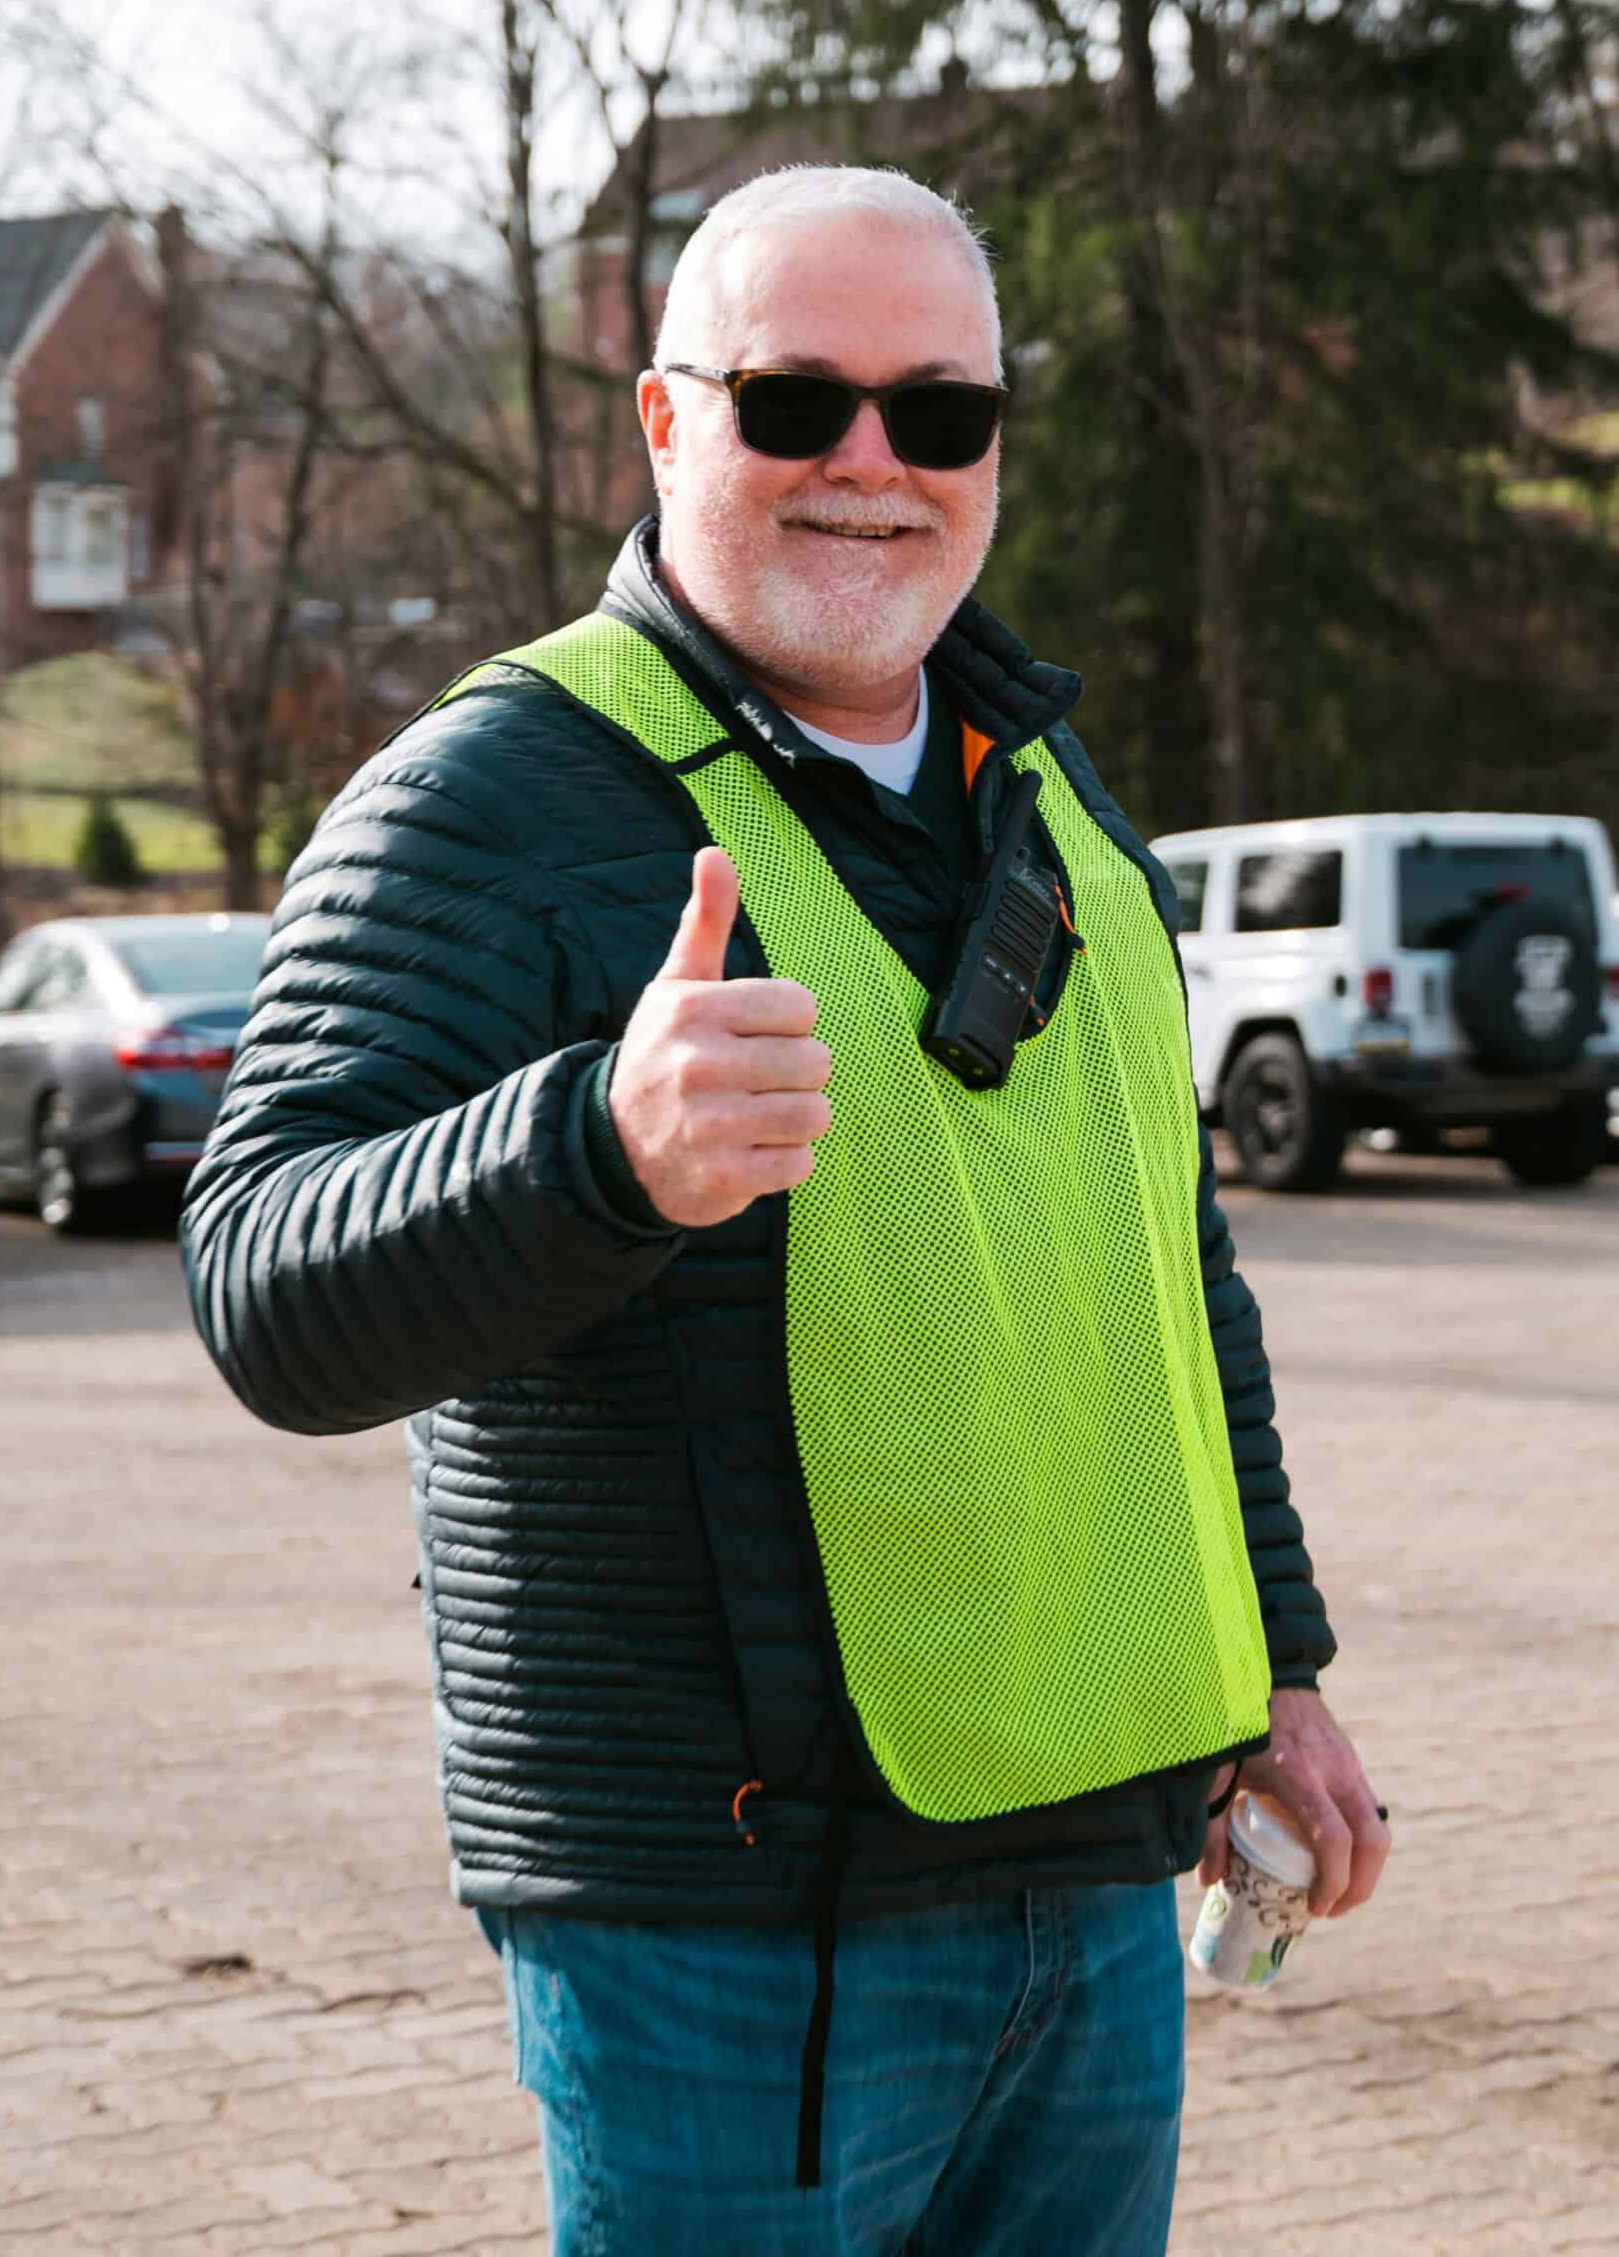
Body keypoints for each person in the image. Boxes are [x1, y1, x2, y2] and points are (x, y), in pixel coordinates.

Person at [182, 164, 1389, 2257]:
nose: (870, 463)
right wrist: (598, 1149)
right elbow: (262, 1282)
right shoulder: (498, 795)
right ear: (663, 424)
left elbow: (1164, 1273)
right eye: (793, 400)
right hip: (730, 1936)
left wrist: (1270, 1666)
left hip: (1096, 1879)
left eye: (938, 415)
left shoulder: (1055, 793)